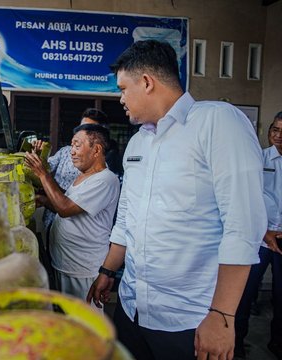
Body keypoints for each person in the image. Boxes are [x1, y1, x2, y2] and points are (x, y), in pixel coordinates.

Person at [86, 39, 267, 360]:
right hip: (132, 308)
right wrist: (107, 271)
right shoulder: (139, 143)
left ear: (147, 82)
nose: (120, 98)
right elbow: (127, 217)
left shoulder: (216, 122)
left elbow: (243, 227)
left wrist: (222, 316)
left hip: (191, 317)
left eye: (124, 88)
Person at [25, 124, 120, 305]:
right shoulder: (83, 176)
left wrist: (43, 174)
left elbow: (65, 208)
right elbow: (67, 207)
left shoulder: (105, 180)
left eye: (77, 145)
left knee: (85, 324)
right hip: (64, 264)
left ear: (96, 149)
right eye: (71, 146)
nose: (72, 152)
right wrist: (43, 200)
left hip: (83, 270)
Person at [234, 113, 282, 359]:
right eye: (275, 129)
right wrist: (264, 231)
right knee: (244, 293)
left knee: (280, 297)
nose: (278, 135)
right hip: (261, 237)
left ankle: (278, 343)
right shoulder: (259, 159)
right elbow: (250, 197)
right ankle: (237, 344)